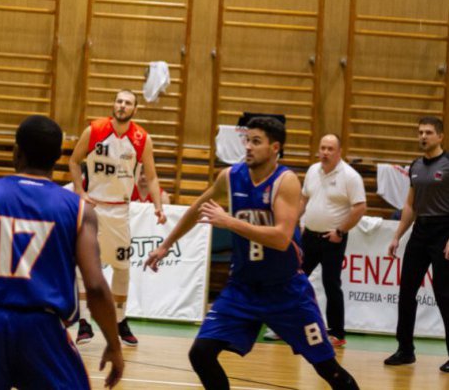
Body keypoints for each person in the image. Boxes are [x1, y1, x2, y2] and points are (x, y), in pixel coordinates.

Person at [145, 117, 358, 389]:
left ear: (274, 147)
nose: (248, 147)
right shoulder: (231, 177)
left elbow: (281, 238)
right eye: (247, 140)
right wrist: (166, 245)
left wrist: (230, 222)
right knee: (200, 353)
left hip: (285, 291)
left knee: (329, 369)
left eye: (256, 142)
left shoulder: (286, 181)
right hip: (243, 288)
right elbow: (198, 208)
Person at [0, 115, 124, 389]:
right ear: (57, 158)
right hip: (45, 328)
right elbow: (95, 285)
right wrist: (114, 344)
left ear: (16, 152)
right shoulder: (78, 210)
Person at [69, 88, 166, 346]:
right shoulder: (95, 130)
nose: (122, 106)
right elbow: (73, 161)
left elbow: (152, 176)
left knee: (122, 266)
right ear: (114, 105)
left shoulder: (141, 138)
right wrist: (79, 191)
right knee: (84, 264)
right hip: (93, 207)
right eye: (119, 101)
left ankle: (120, 320)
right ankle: (84, 322)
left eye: (128, 103)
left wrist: (158, 206)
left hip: (120, 209)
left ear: (135, 109)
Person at [265, 134, 365, 347]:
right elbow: (304, 199)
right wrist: (293, 221)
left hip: (332, 239)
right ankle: (284, 326)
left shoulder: (350, 176)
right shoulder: (312, 171)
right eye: (323, 148)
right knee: (293, 280)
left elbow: (360, 207)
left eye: (330, 149)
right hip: (308, 236)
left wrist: (340, 230)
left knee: (331, 284)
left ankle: (337, 333)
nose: (326, 152)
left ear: (339, 152)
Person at [384, 116, 449, 373]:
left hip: (444, 230)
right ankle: (405, 350)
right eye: (420, 132)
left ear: (441, 136)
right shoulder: (415, 166)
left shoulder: (447, 164)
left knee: (445, 295)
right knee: (406, 290)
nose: (423, 136)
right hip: (421, 230)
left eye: (429, 133)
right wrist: (397, 235)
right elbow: (410, 204)